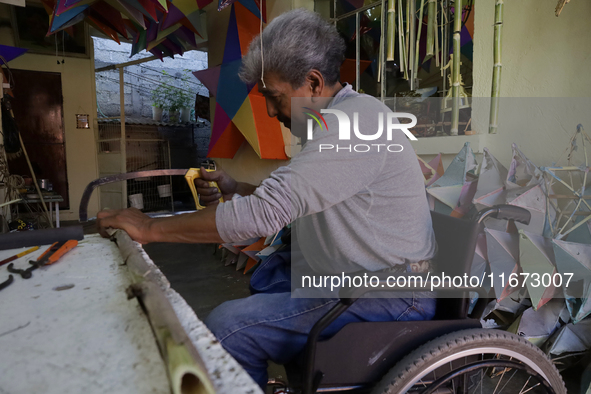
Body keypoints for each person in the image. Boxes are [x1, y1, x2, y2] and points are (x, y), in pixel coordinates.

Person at [97, 8, 436, 389]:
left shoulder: (355, 126)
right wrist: (235, 186)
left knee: (228, 327)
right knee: (264, 284)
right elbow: (294, 197)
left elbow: (264, 215)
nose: (272, 111)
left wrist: (147, 228)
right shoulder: (336, 121)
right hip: (357, 280)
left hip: (386, 293)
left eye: (274, 97)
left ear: (312, 82)